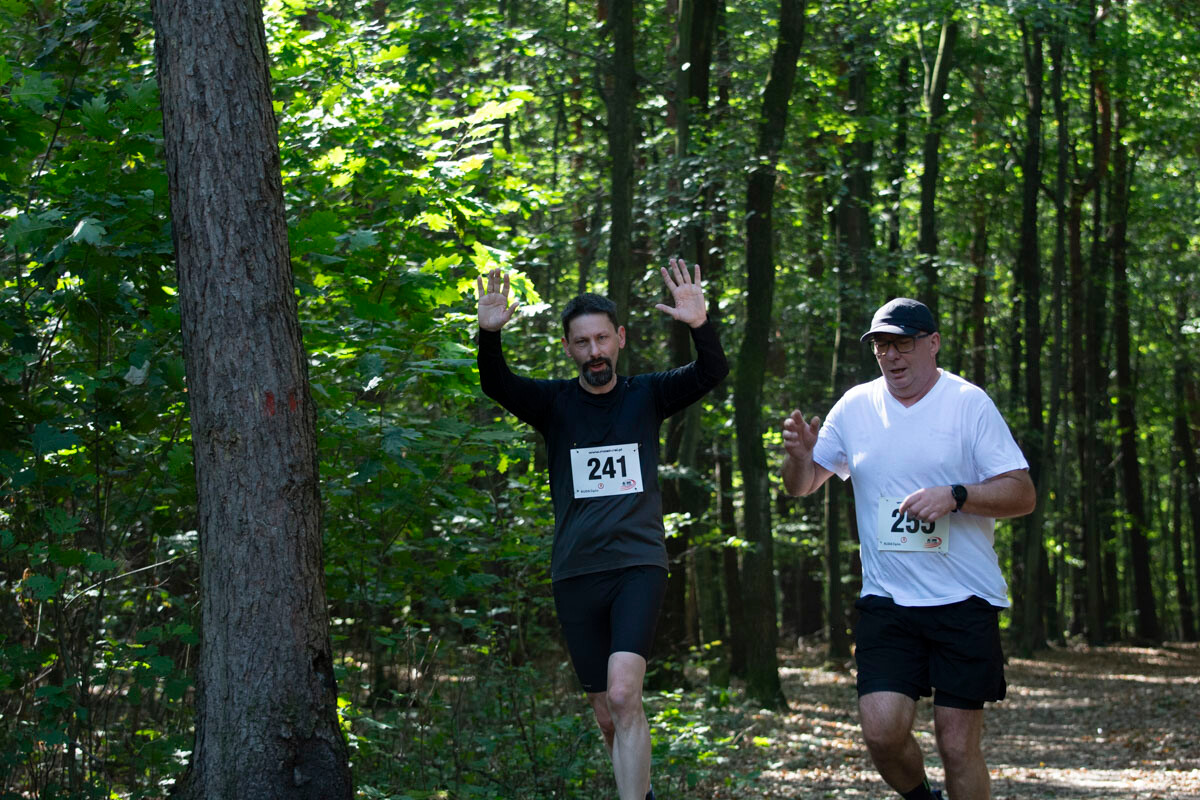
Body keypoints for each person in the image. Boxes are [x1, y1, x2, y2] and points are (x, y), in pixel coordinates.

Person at [476, 259, 728, 800]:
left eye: (602, 339)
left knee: (621, 694)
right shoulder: (554, 405)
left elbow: (711, 373)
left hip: (637, 564)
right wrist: (489, 335)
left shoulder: (648, 395)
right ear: (568, 349)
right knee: (607, 715)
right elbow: (496, 383)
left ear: (620, 340)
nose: (594, 352)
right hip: (576, 572)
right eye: (582, 342)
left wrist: (699, 325)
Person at [780, 297, 1036, 800]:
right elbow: (803, 484)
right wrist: (800, 457)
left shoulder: (968, 403)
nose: (891, 356)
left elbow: (1022, 493)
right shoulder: (855, 407)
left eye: (902, 343)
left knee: (957, 746)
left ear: (933, 343)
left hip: (964, 599)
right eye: (881, 346)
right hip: (888, 601)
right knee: (880, 733)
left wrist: (957, 496)